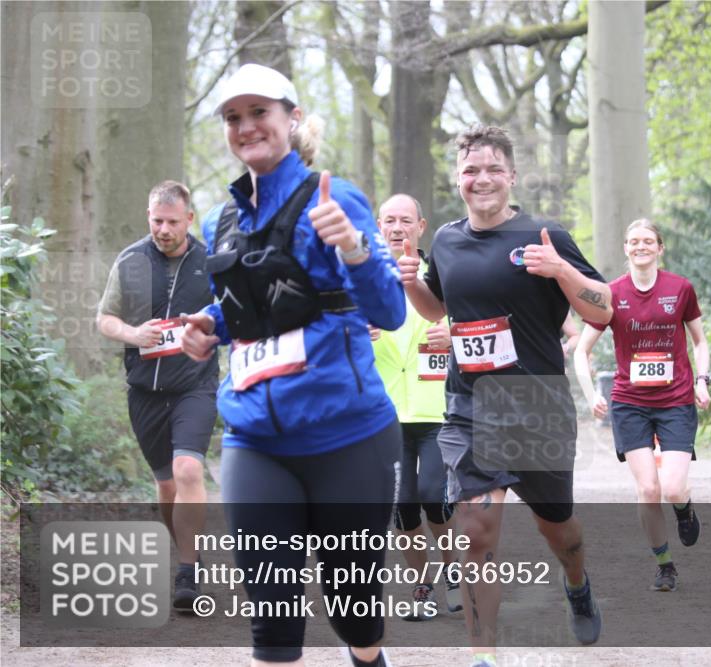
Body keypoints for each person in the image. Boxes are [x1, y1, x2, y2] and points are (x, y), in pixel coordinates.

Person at [179, 64, 405, 667]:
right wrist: (209, 325)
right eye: (234, 117)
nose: (246, 127)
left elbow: (391, 309)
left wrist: (353, 248)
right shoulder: (220, 221)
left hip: (347, 438)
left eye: (260, 113)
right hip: (255, 439)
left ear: (291, 118)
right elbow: (250, 309)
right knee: (272, 619)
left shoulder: (335, 199)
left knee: (353, 608)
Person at [397, 125, 612, 667]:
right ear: (459, 179)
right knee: (476, 530)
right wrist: (410, 282)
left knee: (556, 526)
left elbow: (603, 308)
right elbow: (436, 309)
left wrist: (560, 270)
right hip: (470, 407)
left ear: (512, 177)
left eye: (494, 169)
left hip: (537, 406)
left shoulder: (544, 235)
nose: (482, 179)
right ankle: (482, 655)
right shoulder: (445, 240)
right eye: (471, 170)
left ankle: (577, 582)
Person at [96, 180, 219, 612]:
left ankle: (187, 571)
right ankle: (191, 550)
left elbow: (234, 314)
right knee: (166, 486)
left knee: (188, 470)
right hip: (145, 389)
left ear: (189, 219)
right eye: (156, 220)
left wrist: (210, 332)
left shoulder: (209, 261)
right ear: (148, 217)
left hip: (195, 386)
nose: (163, 229)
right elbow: (105, 318)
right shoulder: (130, 260)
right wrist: (133, 333)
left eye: (171, 221)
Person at [573, 218, 711, 593]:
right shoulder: (611, 294)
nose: (640, 246)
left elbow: (699, 342)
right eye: (633, 241)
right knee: (648, 490)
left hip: (676, 401)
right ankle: (665, 564)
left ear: (659, 248)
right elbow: (582, 351)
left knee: (672, 488)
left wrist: (702, 380)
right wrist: (591, 394)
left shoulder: (680, 289)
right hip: (630, 404)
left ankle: (684, 509)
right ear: (625, 248)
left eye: (648, 241)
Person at [370, 193, 462, 620]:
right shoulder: (363, 280)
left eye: (405, 220)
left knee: (433, 495)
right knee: (402, 508)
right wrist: (353, 332)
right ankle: (422, 586)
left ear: (420, 227)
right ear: (378, 225)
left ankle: (452, 569)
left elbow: (475, 323)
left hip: (434, 409)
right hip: (384, 413)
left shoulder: (439, 277)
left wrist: (454, 336)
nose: (396, 228)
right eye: (389, 220)